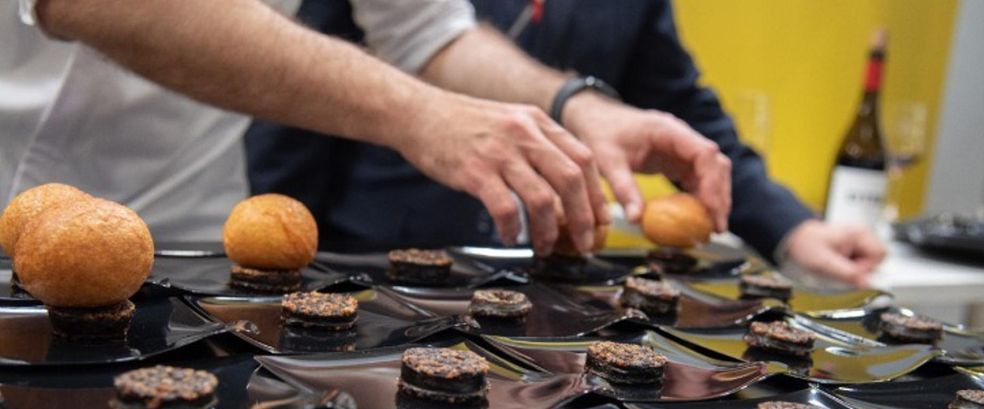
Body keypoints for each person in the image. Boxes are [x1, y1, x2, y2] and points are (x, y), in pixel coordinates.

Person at [3, 0, 730, 259]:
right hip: (23, 225)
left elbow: (427, 29)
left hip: (196, 240)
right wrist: (418, 114)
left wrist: (578, 103)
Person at [247, 0, 884, 287]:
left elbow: (679, 108)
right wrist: (292, 251)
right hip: (381, 266)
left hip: (549, 276)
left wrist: (790, 228)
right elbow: (308, 85)